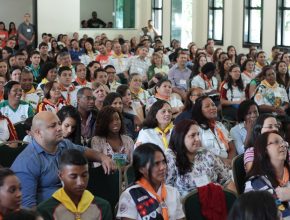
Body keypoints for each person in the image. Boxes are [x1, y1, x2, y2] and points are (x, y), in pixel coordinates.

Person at [11, 111, 115, 208]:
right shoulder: (27, 162)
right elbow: (27, 207)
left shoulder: (63, 144)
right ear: (38, 133)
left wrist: (102, 157)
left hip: (74, 205)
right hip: (49, 213)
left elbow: (83, 151)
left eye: (59, 123)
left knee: (104, 206)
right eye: (52, 126)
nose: (59, 128)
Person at [166, 120, 235, 198]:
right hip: (188, 208)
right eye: (193, 135)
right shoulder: (171, 158)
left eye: (198, 134)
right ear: (180, 137)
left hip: (216, 201)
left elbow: (227, 181)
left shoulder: (205, 153)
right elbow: (166, 192)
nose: (198, 139)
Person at [37, 149, 112, 220]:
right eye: (73, 177)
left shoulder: (103, 207)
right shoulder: (45, 210)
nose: (80, 182)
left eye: (84, 175)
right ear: (60, 176)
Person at [116, 143, 185, 220]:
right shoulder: (130, 195)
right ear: (141, 169)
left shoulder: (173, 192)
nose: (162, 167)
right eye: (156, 164)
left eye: (163, 162)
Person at [244, 131, 290, 218]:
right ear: (264, 150)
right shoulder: (256, 184)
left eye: (284, 142)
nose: (283, 145)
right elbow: (283, 215)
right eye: (276, 142)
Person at [192, 96, 236, 166]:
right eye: (207, 106)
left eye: (213, 105)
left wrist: (231, 162)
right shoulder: (196, 129)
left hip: (229, 164)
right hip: (210, 166)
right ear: (200, 111)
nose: (212, 108)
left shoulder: (220, 125)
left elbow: (232, 147)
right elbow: (200, 154)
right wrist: (224, 162)